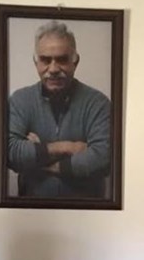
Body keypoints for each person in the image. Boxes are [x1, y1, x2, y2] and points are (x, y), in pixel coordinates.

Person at [7, 20, 111, 198]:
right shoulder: (19, 101)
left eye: (62, 59)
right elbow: (10, 153)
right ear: (36, 63)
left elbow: (103, 158)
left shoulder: (98, 103)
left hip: (88, 211)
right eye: (45, 60)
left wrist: (38, 155)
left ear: (75, 62)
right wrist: (67, 147)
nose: (53, 68)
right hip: (31, 211)